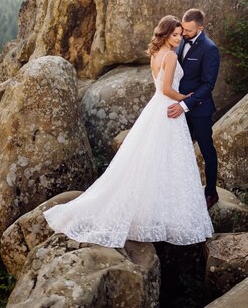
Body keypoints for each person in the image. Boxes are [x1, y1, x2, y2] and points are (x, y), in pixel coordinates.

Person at [43, 15, 213, 248]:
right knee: (169, 159)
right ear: (165, 35)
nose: (179, 38)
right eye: (175, 35)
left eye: (180, 34)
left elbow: (159, 87)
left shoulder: (156, 54)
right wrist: (185, 98)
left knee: (151, 159)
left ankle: (151, 210)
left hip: (156, 108)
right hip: (168, 108)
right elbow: (166, 89)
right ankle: (164, 214)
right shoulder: (171, 56)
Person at [167, 9, 220, 209]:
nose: (184, 33)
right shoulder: (180, 41)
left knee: (207, 152)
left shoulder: (210, 49)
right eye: (183, 28)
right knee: (180, 151)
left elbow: (208, 85)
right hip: (179, 108)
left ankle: (211, 193)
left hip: (199, 110)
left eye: (189, 30)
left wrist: (184, 105)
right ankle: (183, 192)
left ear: (200, 28)